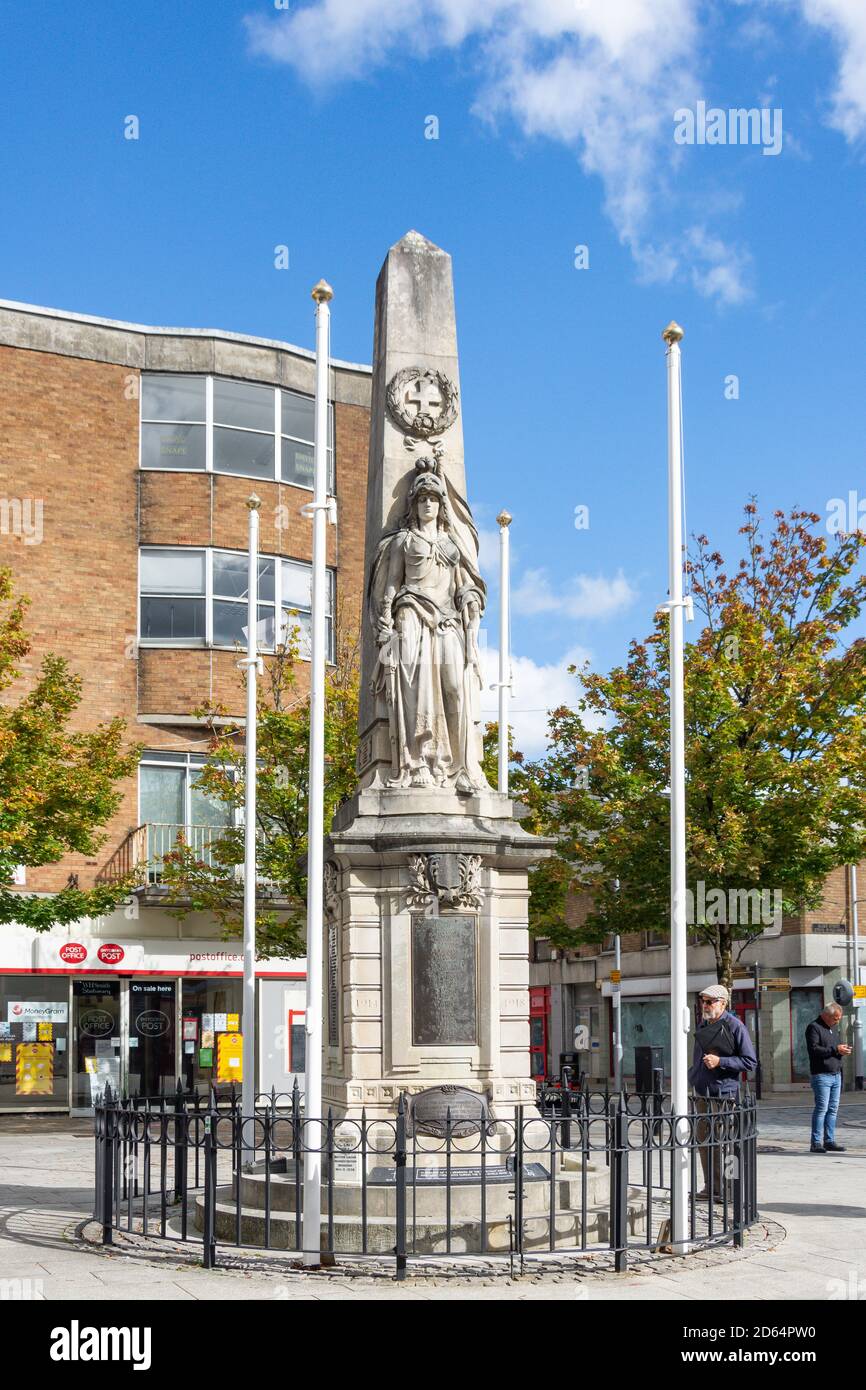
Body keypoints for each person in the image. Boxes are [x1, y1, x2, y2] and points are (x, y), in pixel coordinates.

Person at [688, 983, 757, 1200]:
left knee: (725, 1143)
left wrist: (721, 1061)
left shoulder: (735, 1026)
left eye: (710, 1001)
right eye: (703, 1001)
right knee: (704, 1143)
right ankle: (712, 1187)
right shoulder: (703, 1025)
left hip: (723, 1094)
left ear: (723, 1003)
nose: (705, 1005)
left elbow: (749, 1061)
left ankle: (729, 1190)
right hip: (702, 1092)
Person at [805, 1002, 851, 1154]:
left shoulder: (832, 1029)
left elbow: (832, 1050)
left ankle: (829, 1140)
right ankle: (816, 1142)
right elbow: (814, 1050)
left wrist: (841, 1050)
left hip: (835, 1074)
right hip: (821, 1075)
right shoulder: (814, 1027)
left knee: (833, 1109)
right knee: (822, 1108)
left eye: (838, 1019)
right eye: (835, 1018)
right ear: (826, 1015)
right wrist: (835, 1049)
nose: (837, 1021)